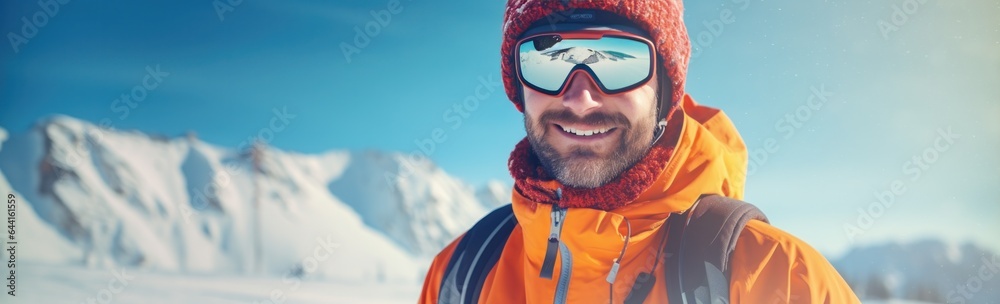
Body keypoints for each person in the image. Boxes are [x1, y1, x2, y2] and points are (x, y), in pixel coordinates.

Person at [420, 1, 860, 303]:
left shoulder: (778, 279)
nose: (580, 99)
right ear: (519, 86)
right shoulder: (460, 275)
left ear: (665, 90)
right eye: (549, 58)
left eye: (616, 59)